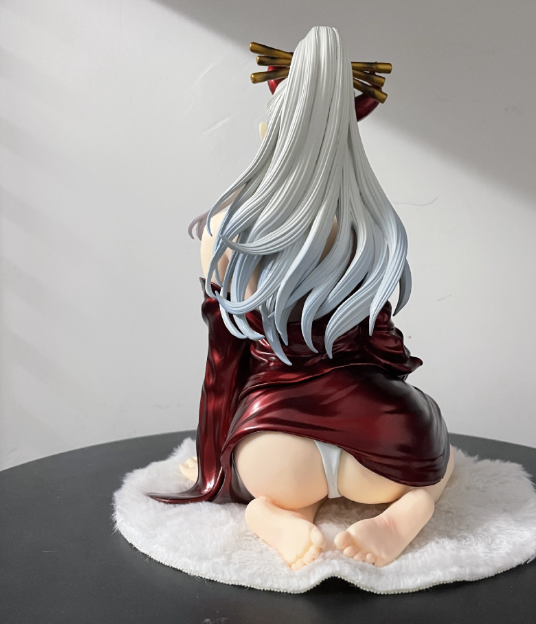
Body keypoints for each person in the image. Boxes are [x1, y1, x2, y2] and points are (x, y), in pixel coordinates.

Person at [150, 26, 454, 570]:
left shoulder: (225, 230)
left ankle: (271, 512)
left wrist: (214, 462)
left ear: (269, 132)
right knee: (439, 458)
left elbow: (225, 358)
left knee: (270, 483)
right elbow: (385, 350)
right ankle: (412, 508)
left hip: (274, 447)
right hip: (379, 442)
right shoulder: (371, 230)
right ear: (350, 140)